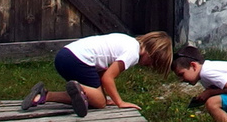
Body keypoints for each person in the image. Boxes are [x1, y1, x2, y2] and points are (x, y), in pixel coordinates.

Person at [20, 31, 173, 117]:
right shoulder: (133, 53)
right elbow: (108, 78)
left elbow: (102, 74)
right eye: (152, 62)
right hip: (78, 60)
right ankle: (78, 91)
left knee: (98, 98)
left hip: (64, 55)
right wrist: (120, 102)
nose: (149, 65)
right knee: (99, 103)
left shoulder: (127, 40)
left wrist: (106, 97)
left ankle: (43, 96)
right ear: (151, 52)